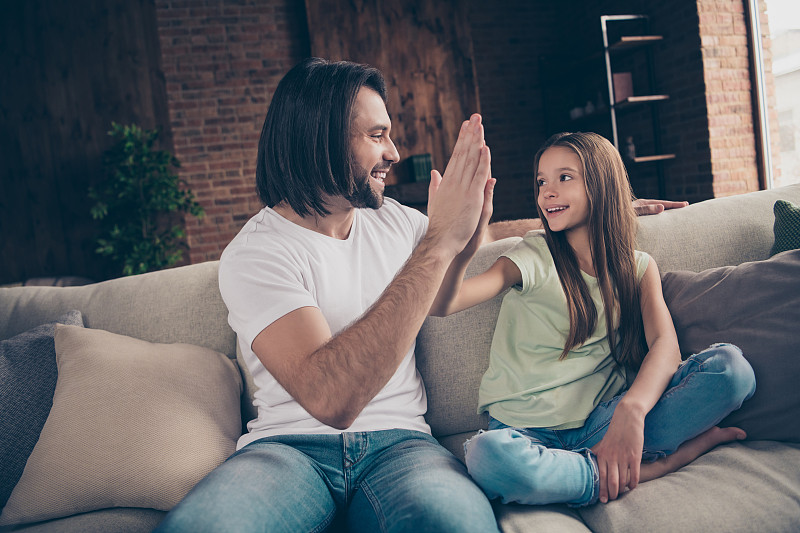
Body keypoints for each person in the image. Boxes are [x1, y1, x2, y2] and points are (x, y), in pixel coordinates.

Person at [155, 57, 687, 532]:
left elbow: (488, 234)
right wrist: (436, 243)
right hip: (289, 451)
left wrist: (605, 211)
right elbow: (331, 399)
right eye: (377, 135)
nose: (394, 151)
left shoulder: (392, 223)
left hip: (401, 447)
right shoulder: (258, 252)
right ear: (320, 140)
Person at [429, 131, 756, 507]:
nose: (547, 191)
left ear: (601, 185)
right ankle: (643, 469)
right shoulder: (534, 253)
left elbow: (665, 347)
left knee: (732, 371)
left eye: (564, 177)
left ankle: (591, 467)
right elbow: (445, 302)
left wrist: (632, 411)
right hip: (523, 434)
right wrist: (460, 244)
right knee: (487, 456)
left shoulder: (638, 267)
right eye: (541, 181)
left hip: (604, 425)